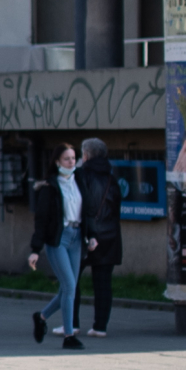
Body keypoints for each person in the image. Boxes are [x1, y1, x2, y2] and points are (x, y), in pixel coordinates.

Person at [26, 142, 84, 350]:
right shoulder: (50, 187)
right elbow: (41, 220)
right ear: (57, 162)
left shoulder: (79, 181)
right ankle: (69, 335)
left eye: (73, 158)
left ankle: (41, 317)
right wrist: (35, 250)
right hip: (58, 240)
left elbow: (89, 210)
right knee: (69, 286)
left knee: (69, 288)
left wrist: (92, 235)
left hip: (76, 237)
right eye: (66, 159)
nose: (71, 162)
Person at [76, 136, 123, 339]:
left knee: (71, 280)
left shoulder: (81, 175)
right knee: (103, 283)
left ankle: (72, 323)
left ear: (85, 155)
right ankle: (100, 326)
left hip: (84, 235)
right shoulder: (112, 178)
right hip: (109, 236)